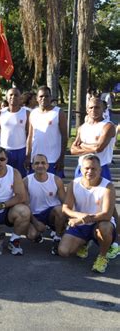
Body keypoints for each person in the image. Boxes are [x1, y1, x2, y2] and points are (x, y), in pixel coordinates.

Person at [70, 97, 118, 259]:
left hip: (101, 168)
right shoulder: (82, 127)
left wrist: (82, 147)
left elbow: (100, 148)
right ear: (87, 109)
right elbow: (72, 149)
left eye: (97, 107)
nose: (93, 110)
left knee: (108, 207)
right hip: (81, 169)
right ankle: (85, 239)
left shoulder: (108, 126)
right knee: (82, 203)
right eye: (90, 107)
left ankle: (115, 241)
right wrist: (90, 147)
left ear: (103, 109)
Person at [58, 155, 116, 273]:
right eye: (87, 168)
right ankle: (84, 243)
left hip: (100, 223)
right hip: (81, 224)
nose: (90, 171)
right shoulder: (73, 184)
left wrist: (82, 220)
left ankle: (102, 257)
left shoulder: (108, 186)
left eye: (94, 169)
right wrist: (79, 216)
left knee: (105, 227)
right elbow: (65, 208)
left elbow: (107, 215)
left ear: (100, 170)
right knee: (63, 251)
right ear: (81, 169)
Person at [24, 154, 66, 255]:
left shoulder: (56, 180)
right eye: (37, 163)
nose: (40, 165)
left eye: (43, 163)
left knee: (60, 210)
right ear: (33, 166)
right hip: (36, 214)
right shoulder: (26, 181)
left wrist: (70, 218)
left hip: (52, 213)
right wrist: (34, 222)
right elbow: (25, 205)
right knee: (31, 235)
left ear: (47, 165)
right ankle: (38, 233)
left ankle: (57, 237)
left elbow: (65, 202)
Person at [26, 86, 67, 178]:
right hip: (35, 159)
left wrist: (62, 158)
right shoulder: (33, 113)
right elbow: (30, 136)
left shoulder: (58, 112)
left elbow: (64, 136)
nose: (43, 98)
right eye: (41, 96)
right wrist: (28, 156)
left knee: (54, 189)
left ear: (50, 97)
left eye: (46, 96)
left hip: (53, 159)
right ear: (37, 98)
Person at [0, 88, 30, 177]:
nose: (13, 97)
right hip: (4, 151)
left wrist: (28, 154)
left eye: (16, 95)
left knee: (21, 177)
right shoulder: (0, 113)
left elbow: (30, 135)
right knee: (4, 177)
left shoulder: (26, 113)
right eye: (11, 95)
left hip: (21, 151)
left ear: (20, 98)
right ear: (7, 97)